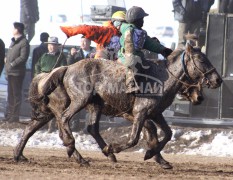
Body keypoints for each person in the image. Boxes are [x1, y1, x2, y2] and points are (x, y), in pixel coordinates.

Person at [117, 6, 173, 93]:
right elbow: (128, 46)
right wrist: (131, 58)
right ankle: (130, 85)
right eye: (141, 19)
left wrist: (163, 50)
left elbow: (150, 43)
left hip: (137, 55)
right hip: (126, 56)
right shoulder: (128, 29)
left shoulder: (140, 32)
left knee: (148, 65)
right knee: (135, 64)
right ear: (136, 20)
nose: (143, 21)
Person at [60, 10, 126, 61]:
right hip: (102, 63)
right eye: (118, 23)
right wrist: (70, 31)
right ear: (113, 22)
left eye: (124, 23)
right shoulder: (108, 31)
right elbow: (88, 29)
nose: (121, 26)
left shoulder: (123, 33)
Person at [35, 36, 67, 132]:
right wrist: (38, 76)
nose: (51, 47)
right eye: (50, 45)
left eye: (53, 45)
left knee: (55, 105)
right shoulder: (44, 56)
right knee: (41, 103)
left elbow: (63, 69)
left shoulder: (61, 57)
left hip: (55, 85)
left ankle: (53, 125)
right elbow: (37, 66)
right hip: (42, 82)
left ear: (57, 46)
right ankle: (40, 123)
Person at [4, 22, 30, 122]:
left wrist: (12, 64)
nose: (12, 30)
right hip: (10, 72)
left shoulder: (24, 42)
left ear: (17, 29)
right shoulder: (13, 41)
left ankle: (15, 116)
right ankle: (10, 115)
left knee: (16, 95)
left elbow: (23, 57)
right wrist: (7, 59)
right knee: (10, 94)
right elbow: (10, 53)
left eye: (13, 28)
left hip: (17, 73)